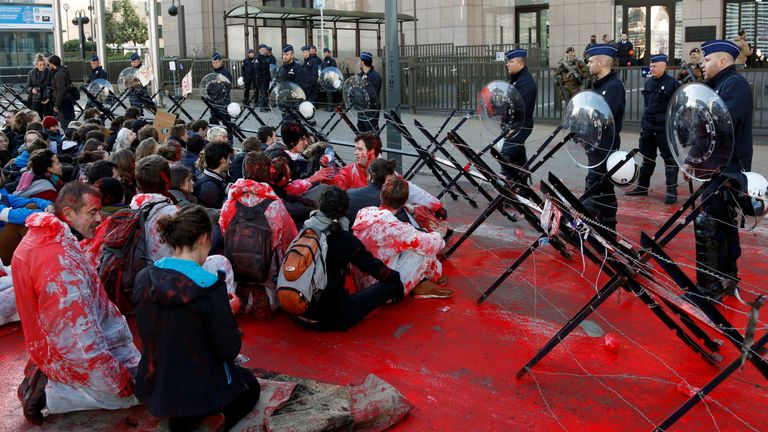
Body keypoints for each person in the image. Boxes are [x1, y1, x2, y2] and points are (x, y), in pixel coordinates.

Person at [13, 182, 140, 424]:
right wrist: (115, 379)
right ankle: (50, 397)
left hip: (51, 349)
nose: (99, 218)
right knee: (144, 392)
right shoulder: (58, 263)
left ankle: (50, 379)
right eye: (92, 212)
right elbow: (79, 342)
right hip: (68, 357)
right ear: (69, 213)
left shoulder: (42, 238)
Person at [132, 205, 260, 431]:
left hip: (152, 384)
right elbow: (228, 350)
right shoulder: (209, 288)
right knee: (249, 385)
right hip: (196, 392)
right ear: (203, 238)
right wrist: (229, 314)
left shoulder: (144, 277)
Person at [692, 40, 753, 300]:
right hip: (715, 167)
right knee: (722, 224)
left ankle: (711, 288)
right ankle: (727, 279)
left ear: (723, 61)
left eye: (706, 60)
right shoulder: (717, 86)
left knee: (714, 226)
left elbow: (718, 126)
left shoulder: (734, 85)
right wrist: (693, 159)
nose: (701, 64)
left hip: (728, 169)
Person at [297, 187, 405, 331]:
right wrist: (396, 278)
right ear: (344, 210)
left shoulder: (306, 228)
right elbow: (376, 269)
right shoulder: (344, 239)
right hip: (330, 317)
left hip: (298, 309)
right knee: (392, 284)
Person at [220, 152, 298, 311]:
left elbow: (224, 230)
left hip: (236, 263)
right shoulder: (274, 204)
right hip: (266, 267)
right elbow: (290, 238)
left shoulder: (230, 202)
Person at [352, 175, 452, 299]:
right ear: (403, 202)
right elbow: (435, 244)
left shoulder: (364, 212)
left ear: (381, 196)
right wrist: (437, 232)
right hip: (380, 290)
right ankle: (431, 278)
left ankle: (424, 280)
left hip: (361, 281)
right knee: (422, 249)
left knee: (412, 243)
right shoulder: (396, 228)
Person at [626, 54, 680, 204]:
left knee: (669, 160)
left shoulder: (672, 84)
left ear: (663, 67)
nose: (652, 68)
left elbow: (678, 106)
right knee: (647, 158)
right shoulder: (649, 83)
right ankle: (642, 187)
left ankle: (671, 192)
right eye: (651, 66)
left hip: (663, 128)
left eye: (655, 66)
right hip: (649, 127)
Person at [585, 44, 625, 233]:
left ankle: (578, 226)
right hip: (594, 147)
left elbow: (605, 119)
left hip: (604, 148)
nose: (588, 65)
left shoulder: (614, 87)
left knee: (592, 190)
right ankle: (609, 228)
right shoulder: (598, 86)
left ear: (601, 62)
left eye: (591, 61)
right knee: (606, 191)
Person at [500, 48, 537, 181]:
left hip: (520, 126)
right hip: (513, 125)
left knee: (506, 156)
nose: (507, 64)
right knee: (517, 159)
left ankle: (510, 186)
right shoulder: (517, 80)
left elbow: (521, 110)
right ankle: (522, 186)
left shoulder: (526, 82)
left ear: (520, 64)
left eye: (510, 61)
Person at [276, 45, 311, 120]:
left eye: (287, 54)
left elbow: (302, 86)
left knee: (294, 125)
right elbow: (278, 82)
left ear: (292, 55)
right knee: (285, 125)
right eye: (283, 54)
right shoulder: (281, 68)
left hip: (294, 103)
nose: (284, 56)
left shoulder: (298, 68)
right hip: (283, 102)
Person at [194, 141, 232, 209]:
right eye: (229, 158)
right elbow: (216, 213)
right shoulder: (209, 186)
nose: (230, 162)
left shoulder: (207, 177)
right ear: (223, 160)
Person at [356, 52, 382, 133]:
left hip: (371, 110)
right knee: (361, 129)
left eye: (359, 60)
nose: (358, 63)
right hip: (361, 109)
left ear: (362, 62)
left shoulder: (375, 76)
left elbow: (372, 95)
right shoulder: (360, 75)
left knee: (372, 132)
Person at [48, 55, 75, 128]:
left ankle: (69, 138)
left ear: (52, 64)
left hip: (64, 102)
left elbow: (61, 91)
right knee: (70, 123)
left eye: (49, 64)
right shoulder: (63, 71)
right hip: (67, 101)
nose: (49, 66)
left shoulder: (59, 74)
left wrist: (57, 105)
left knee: (65, 124)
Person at [210, 52, 233, 128]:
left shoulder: (225, 73)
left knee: (226, 121)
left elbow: (228, 86)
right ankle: (216, 136)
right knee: (213, 121)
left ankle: (229, 138)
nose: (215, 64)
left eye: (216, 62)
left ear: (220, 61)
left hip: (223, 101)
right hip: (214, 101)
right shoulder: (213, 73)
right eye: (213, 63)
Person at [25, 54, 51, 118]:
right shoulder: (31, 73)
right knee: (36, 119)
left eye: (44, 64)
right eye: (40, 65)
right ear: (36, 65)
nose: (43, 66)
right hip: (35, 99)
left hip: (47, 98)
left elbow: (52, 86)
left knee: (48, 119)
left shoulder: (50, 72)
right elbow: (27, 87)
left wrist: (49, 96)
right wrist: (31, 90)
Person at [255, 44, 272, 112]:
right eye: (265, 49)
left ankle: (265, 106)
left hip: (266, 78)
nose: (266, 50)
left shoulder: (265, 57)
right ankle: (262, 107)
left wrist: (269, 77)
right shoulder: (258, 58)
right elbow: (256, 69)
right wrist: (260, 78)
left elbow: (267, 69)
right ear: (261, 50)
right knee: (263, 92)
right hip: (261, 79)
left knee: (266, 92)